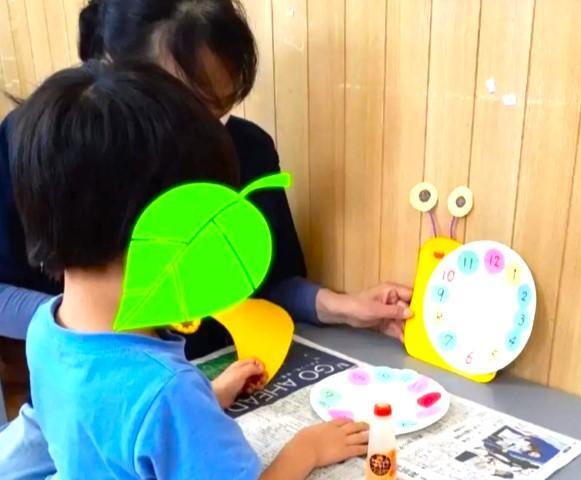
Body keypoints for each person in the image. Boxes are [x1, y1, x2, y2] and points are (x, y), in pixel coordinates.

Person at [0, 0, 410, 476]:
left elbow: (113, 428)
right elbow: (156, 413)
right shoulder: (169, 394)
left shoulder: (47, 332)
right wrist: (306, 450)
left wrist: (199, 404)